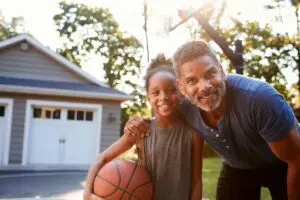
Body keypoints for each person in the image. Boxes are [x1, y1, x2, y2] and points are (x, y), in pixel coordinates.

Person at [125, 41, 300, 200]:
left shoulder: (260, 99)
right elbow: (160, 116)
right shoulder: (183, 107)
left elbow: (295, 159)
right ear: (181, 87)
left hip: (284, 163)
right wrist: (137, 123)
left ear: (222, 72)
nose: (204, 86)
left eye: (210, 74)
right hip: (239, 166)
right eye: (192, 80)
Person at [83, 54, 203, 200]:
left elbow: (196, 181)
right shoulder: (141, 131)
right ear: (148, 98)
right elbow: (101, 159)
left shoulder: (193, 135)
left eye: (171, 90)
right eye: (155, 92)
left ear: (181, 92)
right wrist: (87, 194)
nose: (163, 97)